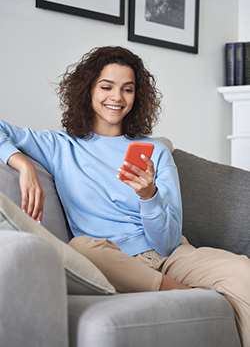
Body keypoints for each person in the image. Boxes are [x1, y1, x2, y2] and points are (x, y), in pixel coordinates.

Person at [0, 46, 249, 346]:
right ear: (87, 90)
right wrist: (21, 162)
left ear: (137, 96)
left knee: (242, 271)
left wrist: (149, 196)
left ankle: (182, 288)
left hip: (171, 257)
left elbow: (168, 242)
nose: (116, 97)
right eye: (106, 86)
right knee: (80, 247)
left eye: (127, 89)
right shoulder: (59, 146)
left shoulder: (156, 152)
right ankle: (186, 293)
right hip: (112, 258)